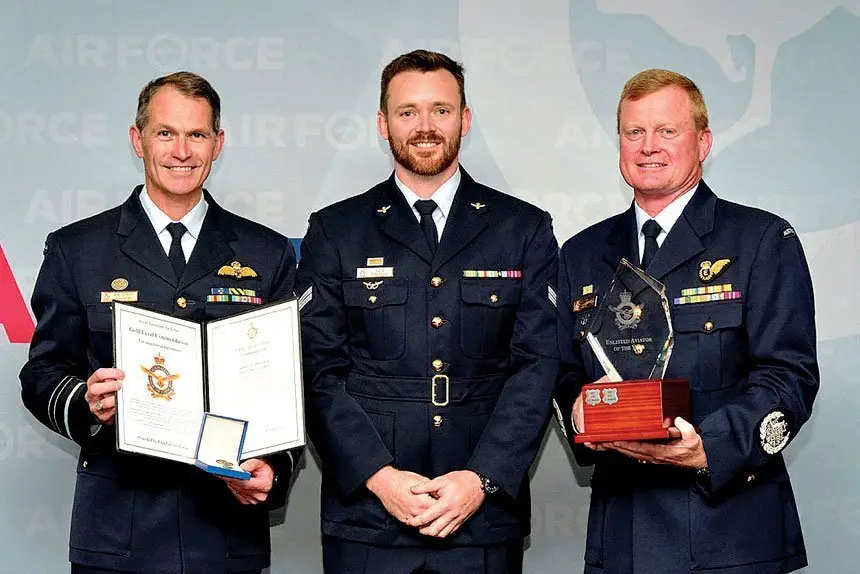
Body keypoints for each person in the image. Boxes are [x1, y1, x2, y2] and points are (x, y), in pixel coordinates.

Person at [20, 71, 302, 574]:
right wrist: (84, 400)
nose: (181, 151)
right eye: (166, 133)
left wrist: (273, 469)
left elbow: (287, 386)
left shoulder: (267, 252)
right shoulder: (77, 250)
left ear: (218, 144)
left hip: (225, 532)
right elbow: (42, 373)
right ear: (138, 140)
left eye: (197, 135)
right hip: (117, 532)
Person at [296, 49, 559, 574]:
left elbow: (537, 366)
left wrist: (480, 478)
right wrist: (380, 477)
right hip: (367, 517)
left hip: (480, 517)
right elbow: (316, 369)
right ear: (382, 123)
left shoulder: (522, 229)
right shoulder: (335, 231)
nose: (424, 126)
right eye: (407, 111)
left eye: (440, 110)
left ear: (464, 120)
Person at [553, 68, 819, 573]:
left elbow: (790, 377)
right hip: (622, 536)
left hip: (732, 535)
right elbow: (562, 372)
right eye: (635, 132)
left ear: (703, 142)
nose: (649, 146)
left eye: (667, 131)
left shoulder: (760, 240)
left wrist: (710, 448)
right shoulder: (581, 254)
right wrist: (580, 414)